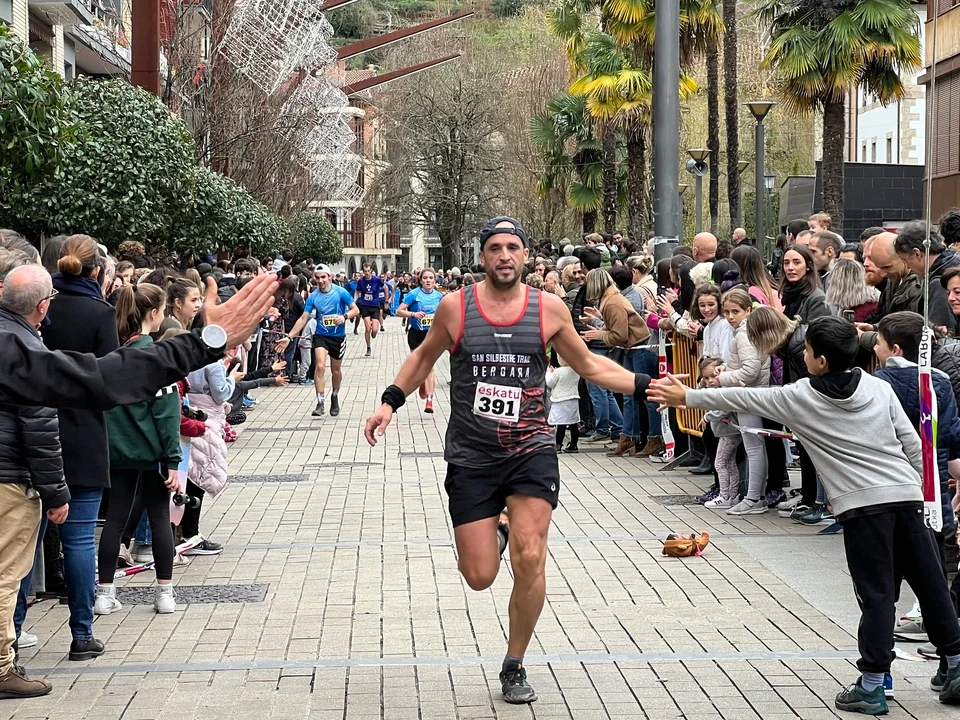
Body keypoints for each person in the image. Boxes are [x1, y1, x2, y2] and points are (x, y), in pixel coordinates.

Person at [364, 217, 652, 705]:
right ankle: (496, 530)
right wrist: (389, 402)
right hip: (472, 454)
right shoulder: (456, 307)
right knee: (479, 576)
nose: (504, 255)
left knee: (531, 555)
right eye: (495, 248)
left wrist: (646, 385)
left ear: (524, 256)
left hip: (530, 448)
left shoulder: (549, 308)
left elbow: (588, 364)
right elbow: (424, 359)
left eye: (512, 247)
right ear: (482, 256)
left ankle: (514, 662)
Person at [649, 316, 960, 715]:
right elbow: (914, 447)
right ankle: (956, 667)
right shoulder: (877, 387)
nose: (805, 355)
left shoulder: (800, 396)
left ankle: (871, 686)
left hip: (864, 510)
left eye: (808, 350)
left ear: (820, 360)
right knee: (931, 585)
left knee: (878, 594)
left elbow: (747, 398)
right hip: (908, 498)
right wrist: (921, 493)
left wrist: (688, 396)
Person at [28, 235, 118, 662]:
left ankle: (12, 634)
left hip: (32, 432)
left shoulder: (36, 309)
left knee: (26, 541)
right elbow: (110, 380)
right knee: (80, 539)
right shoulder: (100, 312)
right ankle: (82, 634)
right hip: (83, 433)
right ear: (96, 271)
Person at [0, 266, 70, 699]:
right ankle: (1, 667)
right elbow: (40, 429)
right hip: (10, 479)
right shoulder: (27, 347)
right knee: (6, 577)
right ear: (42, 307)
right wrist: (56, 492)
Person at [96, 284, 181, 617]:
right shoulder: (159, 362)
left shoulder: (110, 360)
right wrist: (172, 459)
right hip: (153, 453)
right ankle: (164, 593)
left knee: (115, 519)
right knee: (159, 517)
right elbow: (167, 416)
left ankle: (104, 593)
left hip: (118, 452)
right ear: (154, 314)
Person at [705, 288, 770, 515]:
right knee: (755, 447)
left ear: (748, 311)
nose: (731, 316)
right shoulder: (746, 332)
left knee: (754, 447)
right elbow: (745, 366)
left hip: (749, 396)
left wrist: (722, 378)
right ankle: (755, 497)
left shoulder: (744, 334)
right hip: (749, 395)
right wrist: (727, 369)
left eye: (736, 311)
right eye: (727, 312)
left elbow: (750, 371)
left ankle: (754, 498)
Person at [580, 268, 649, 457]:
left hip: (637, 348)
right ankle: (629, 438)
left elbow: (619, 335)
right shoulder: (612, 299)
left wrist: (599, 334)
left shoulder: (612, 302)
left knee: (639, 395)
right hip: (633, 348)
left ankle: (644, 438)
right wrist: (597, 321)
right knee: (630, 396)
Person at [285, 265, 359, 417]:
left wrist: (344, 317)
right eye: (317, 278)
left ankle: (335, 396)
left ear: (329, 277)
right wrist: (289, 336)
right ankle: (320, 402)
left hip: (338, 337)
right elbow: (303, 318)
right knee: (319, 366)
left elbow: (355, 310)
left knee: (335, 370)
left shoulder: (340, 292)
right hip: (321, 335)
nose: (320, 281)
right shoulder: (313, 296)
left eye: (323, 277)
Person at [896, 221, 960, 335]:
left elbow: (940, 336)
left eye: (905, 260)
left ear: (917, 253)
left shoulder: (938, 283)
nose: (908, 267)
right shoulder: (953, 265)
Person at [396, 268, 442, 413]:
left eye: (431, 278)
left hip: (432, 335)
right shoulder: (413, 294)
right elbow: (398, 311)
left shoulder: (439, 296)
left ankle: (430, 400)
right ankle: (422, 381)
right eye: (425, 278)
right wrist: (413, 314)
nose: (428, 280)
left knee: (430, 366)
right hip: (416, 334)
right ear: (420, 280)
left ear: (435, 280)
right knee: (419, 366)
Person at [697, 356, 742, 509]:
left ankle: (725, 496)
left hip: (729, 432)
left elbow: (723, 409)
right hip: (726, 432)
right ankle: (733, 495)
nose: (710, 381)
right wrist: (701, 384)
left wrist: (707, 417)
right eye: (706, 378)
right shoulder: (715, 388)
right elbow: (701, 396)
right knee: (729, 464)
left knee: (720, 463)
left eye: (712, 376)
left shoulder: (724, 389)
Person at [779, 246, 830, 324]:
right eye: (786, 263)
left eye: (797, 263)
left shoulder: (817, 299)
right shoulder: (788, 295)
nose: (790, 267)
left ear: (808, 266)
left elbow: (817, 330)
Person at [826, 258, 880, 322]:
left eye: (833, 279)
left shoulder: (860, 316)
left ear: (844, 285)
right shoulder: (851, 308)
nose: (829, 281)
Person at [546, 353, 580, 453]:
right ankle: (574, 444)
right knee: (573, 423)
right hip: (573, 399)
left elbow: (550, 383)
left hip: (560, 401)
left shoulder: (558, 371)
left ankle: (558, 444)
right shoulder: (576, 371)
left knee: (561, 423)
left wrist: (549, 373)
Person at [354, 264, 384, 356]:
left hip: (375, 305)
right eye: (365, 271)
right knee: (368, 328)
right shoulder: (361, 281)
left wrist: (387, 299)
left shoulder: (377, 280)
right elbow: (357, 291)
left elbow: (385, 287)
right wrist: (355, 300)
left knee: (374, 330)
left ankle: (373, 334)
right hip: (365, 305)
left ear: (371, 270)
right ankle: (368, 347)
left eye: (368, 271)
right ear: (363, 272)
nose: (367, 273)